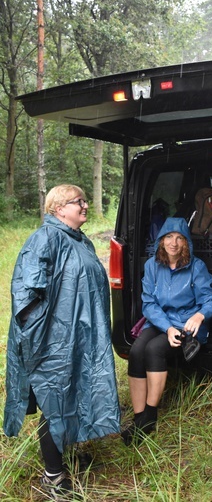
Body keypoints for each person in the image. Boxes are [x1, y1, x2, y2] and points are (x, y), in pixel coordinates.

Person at [3, 184, 121, 499]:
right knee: (55, 401)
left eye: (84, 200)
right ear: (59, 209)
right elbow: (27, 293)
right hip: (54, 340)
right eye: (77, 201)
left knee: (76, 393)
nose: (84, 205)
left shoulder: (77, 240)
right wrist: (42, 338)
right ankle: (53, 477)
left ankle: (68, 451)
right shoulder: (46, 238)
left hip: (79, 335)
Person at [121, 217, 212, 445]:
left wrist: (199, 315)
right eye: (168, 237)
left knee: (154, 350)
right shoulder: (152, 266)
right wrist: (166, 327)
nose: (173, 243)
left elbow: (211, 299)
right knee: (137, 351)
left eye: (179, 238)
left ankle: (150, 415)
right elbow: (149, 304)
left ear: (186, 243)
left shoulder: (197, 267)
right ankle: (139, 416)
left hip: (186, 324)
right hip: (160, 322)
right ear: (161, 240)